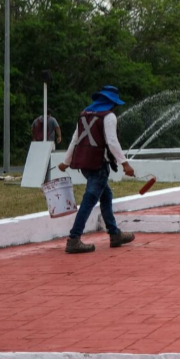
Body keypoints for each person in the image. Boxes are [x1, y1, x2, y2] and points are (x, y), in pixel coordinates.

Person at [57, 85, 136, 254]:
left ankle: (115, 234)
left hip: (85, 164)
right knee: (90, 200)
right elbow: (112, 142)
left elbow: (75, 140)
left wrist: (66, 161)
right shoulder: (108, 116)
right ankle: (74, 238)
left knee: (106, 195)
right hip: (99, 165)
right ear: (111, 102)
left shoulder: (85, 114)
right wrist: (125, 164)